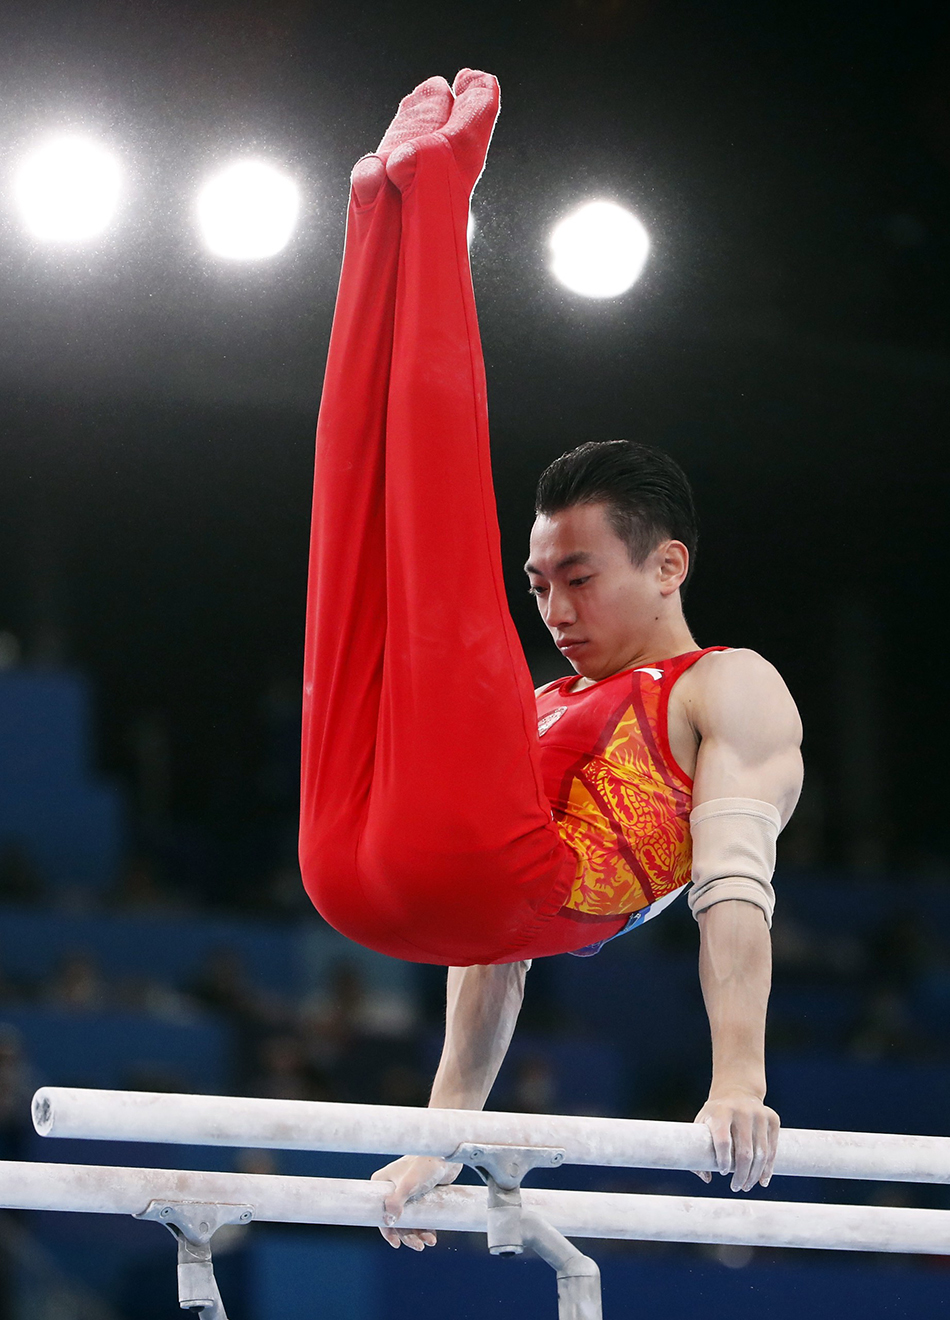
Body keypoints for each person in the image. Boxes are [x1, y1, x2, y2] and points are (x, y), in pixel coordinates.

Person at [297, 71, 804, 1251]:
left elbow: (733, 895)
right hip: (364, 871)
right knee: (357, 543)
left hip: (469, 865)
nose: (553, 608)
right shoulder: (537, 705)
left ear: (668, 566)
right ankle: (379, 208)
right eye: (537, 584)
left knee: (427, 535)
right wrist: (441, 1130)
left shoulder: (729, 687)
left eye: (579, 577)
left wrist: (740, 1075)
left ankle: (429, 205)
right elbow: (493, 959)